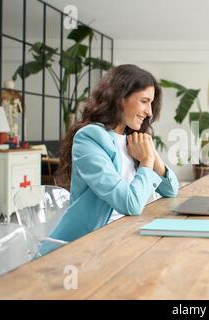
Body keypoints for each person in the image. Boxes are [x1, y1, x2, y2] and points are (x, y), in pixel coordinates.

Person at [42, 64, 179, 254]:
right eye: (144, 101)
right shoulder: (90, 138)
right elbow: (130, 204)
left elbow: (171, 189)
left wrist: (150, 155)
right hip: (86, 246)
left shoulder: (133, 137)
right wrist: (146, 161)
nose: (149, 112)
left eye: (151, 103)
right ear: (119, 98)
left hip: (124, 235)